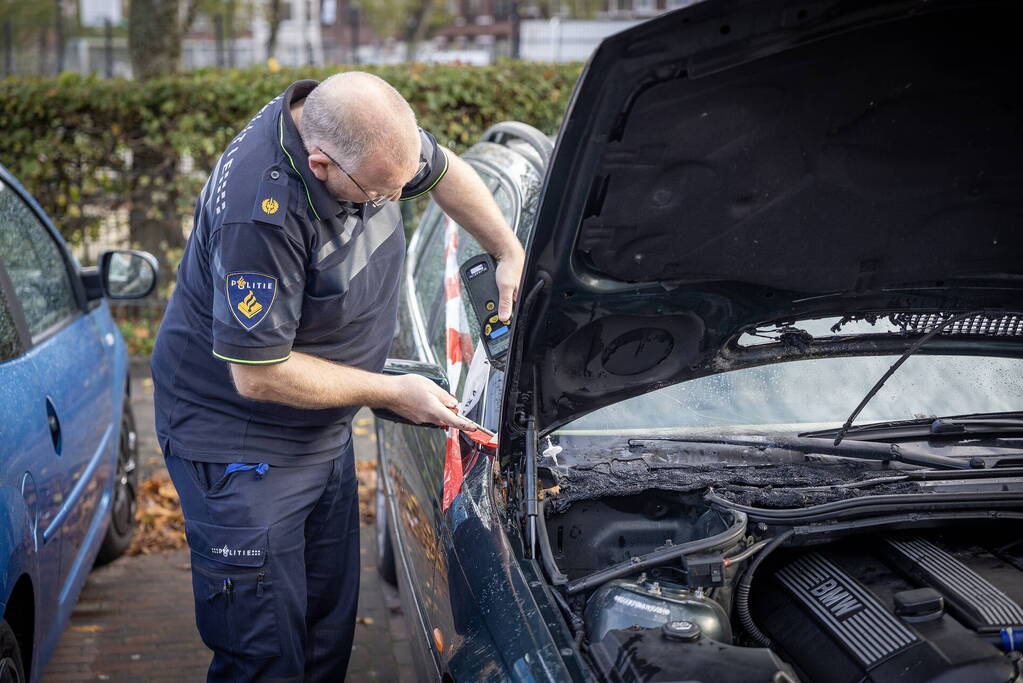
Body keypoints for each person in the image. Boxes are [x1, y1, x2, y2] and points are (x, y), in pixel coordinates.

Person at [151, 72, 525, 681]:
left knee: (326, 630)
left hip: (319, 431)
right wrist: (388, 391)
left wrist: (508, 248)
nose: (388, 200)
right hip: (241, 445)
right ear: (320, 164)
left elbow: (443, 171)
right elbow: (257, 375)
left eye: (398, 190)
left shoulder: (367, 134)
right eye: (376, 195)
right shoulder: (261, 212)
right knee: (266, 652)